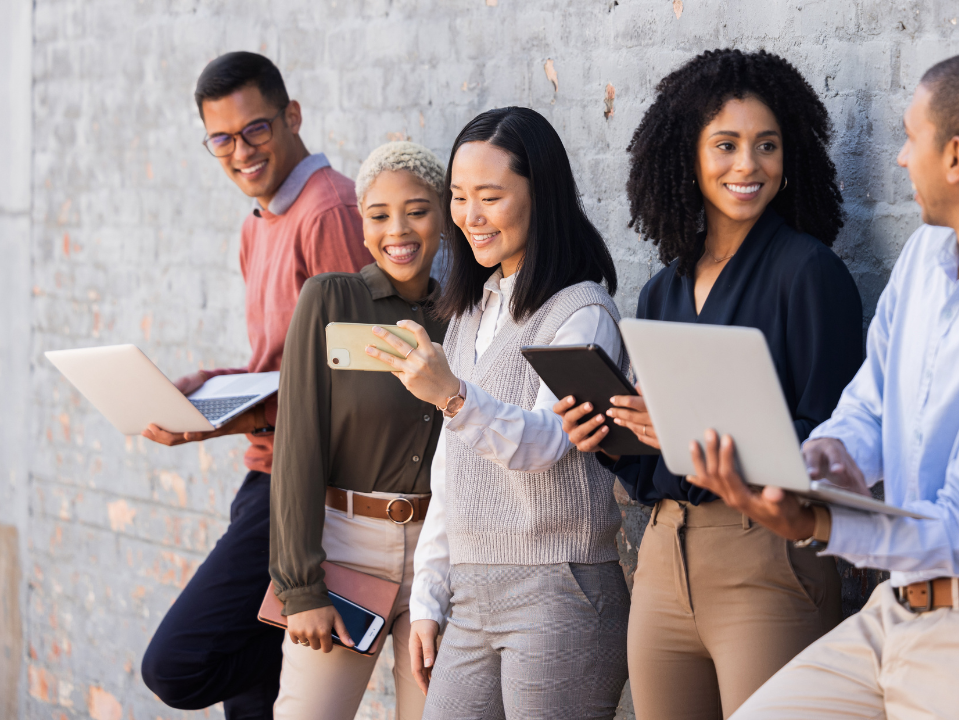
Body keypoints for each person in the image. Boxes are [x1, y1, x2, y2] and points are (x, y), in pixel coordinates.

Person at [685, 52, 959, 720]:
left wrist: (814, 518)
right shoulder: (928, 256)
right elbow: (870, 401)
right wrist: (827, 458)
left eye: (910, 136)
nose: (899, 158)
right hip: (896, 610)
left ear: (955, 158)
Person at [554, 49, 864, 720]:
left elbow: (834, 446)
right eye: (725, 145)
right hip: (664, 560)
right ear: (687, 157)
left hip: (767, 557)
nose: (748, 164)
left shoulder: (810, 275)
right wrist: (614, 440)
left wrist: (694, 437)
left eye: (767, 146)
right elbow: (658, 468)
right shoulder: (663, 289)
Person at [368, 107, 629, 720]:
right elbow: (450, 469)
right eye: (459, 197)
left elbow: (547, 441)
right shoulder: (471, 309)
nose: (470, 217)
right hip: (471, 591)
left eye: (490, 197)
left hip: (557, 589)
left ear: (543, 196)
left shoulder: (581, 310)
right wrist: (429, 599)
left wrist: (452, 396)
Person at [139, 51, 371, 719]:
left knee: (179, 664)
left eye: (256, 130)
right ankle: (281, 640)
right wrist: (205, 386)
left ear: (292, 116)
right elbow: (282, 360)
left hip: (306, 488)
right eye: (221, 138)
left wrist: (225, 418)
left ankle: (289, 639)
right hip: (264, 476)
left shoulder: (331, 211)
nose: (240, 151)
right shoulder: (259, 222)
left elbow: (359, 377)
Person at [268, 141, 448, 720]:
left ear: (443, 215)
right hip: (346, 552)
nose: (399, 229)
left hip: (439, 560)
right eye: (379, 215)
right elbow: (297, 448)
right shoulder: (330, 299)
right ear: (363, 227)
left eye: (418, 210)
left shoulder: (462, 316)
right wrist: (301, 588)